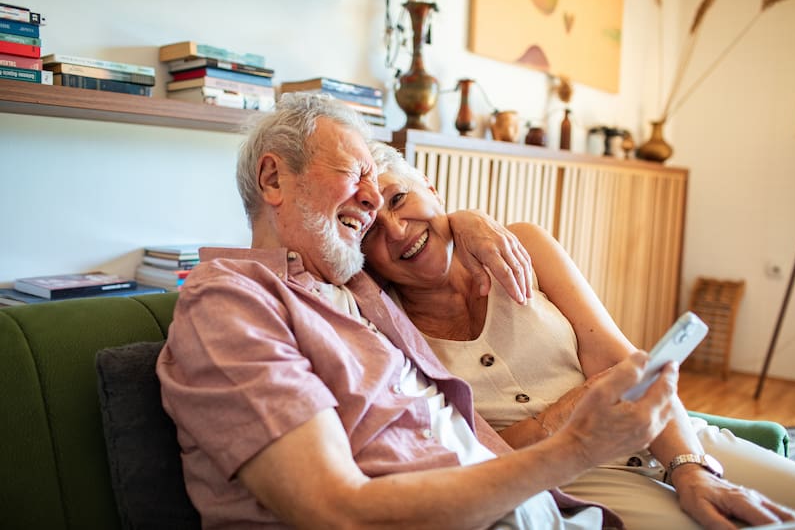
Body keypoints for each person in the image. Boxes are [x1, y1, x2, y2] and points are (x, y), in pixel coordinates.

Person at [155, 92, 695, 529]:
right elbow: (334, 510)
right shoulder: (233, 302)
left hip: (544, 507)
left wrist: (464, 221)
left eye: (380, 183)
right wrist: (577, 446)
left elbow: (418, 236)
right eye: (354, 173)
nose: (371, 203)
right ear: (273, 179)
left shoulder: (360, 290)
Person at [361, 140, 795, 530]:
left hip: (670, 432)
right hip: (579, 479)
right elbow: (472, 454)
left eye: (399, 199)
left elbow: (618, 360)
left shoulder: (524, 244)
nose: (397, 230)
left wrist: (691, 469)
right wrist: (561, 417)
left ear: (432, 190)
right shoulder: (387, 330)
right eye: (371, 230)